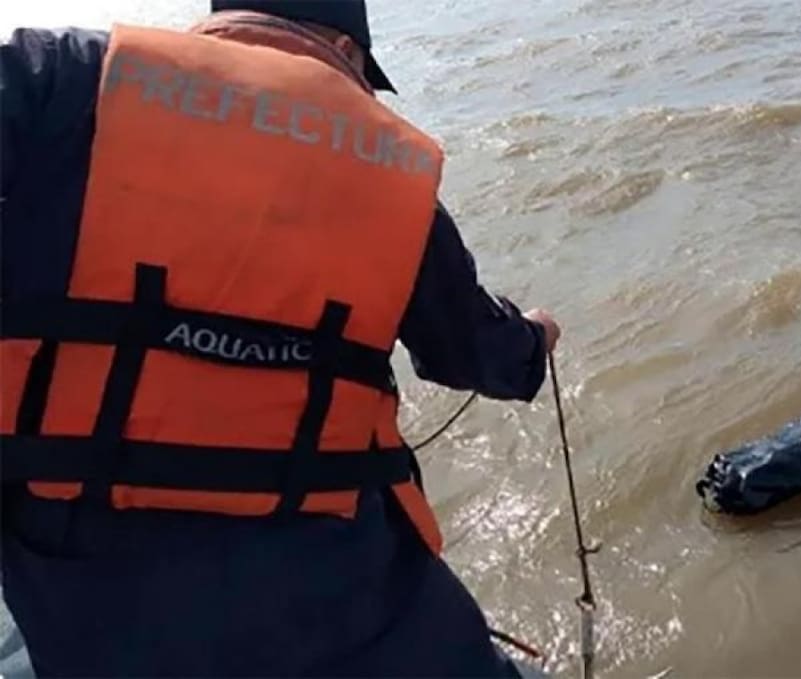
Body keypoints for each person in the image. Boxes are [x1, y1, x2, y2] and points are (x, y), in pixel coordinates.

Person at [0, 0, 560, 676]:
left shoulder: (55, 78)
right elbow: (473, 353)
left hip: (77, 606)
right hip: (343, 600)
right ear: (347, 52)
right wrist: (535, 337)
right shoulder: (384, 158)